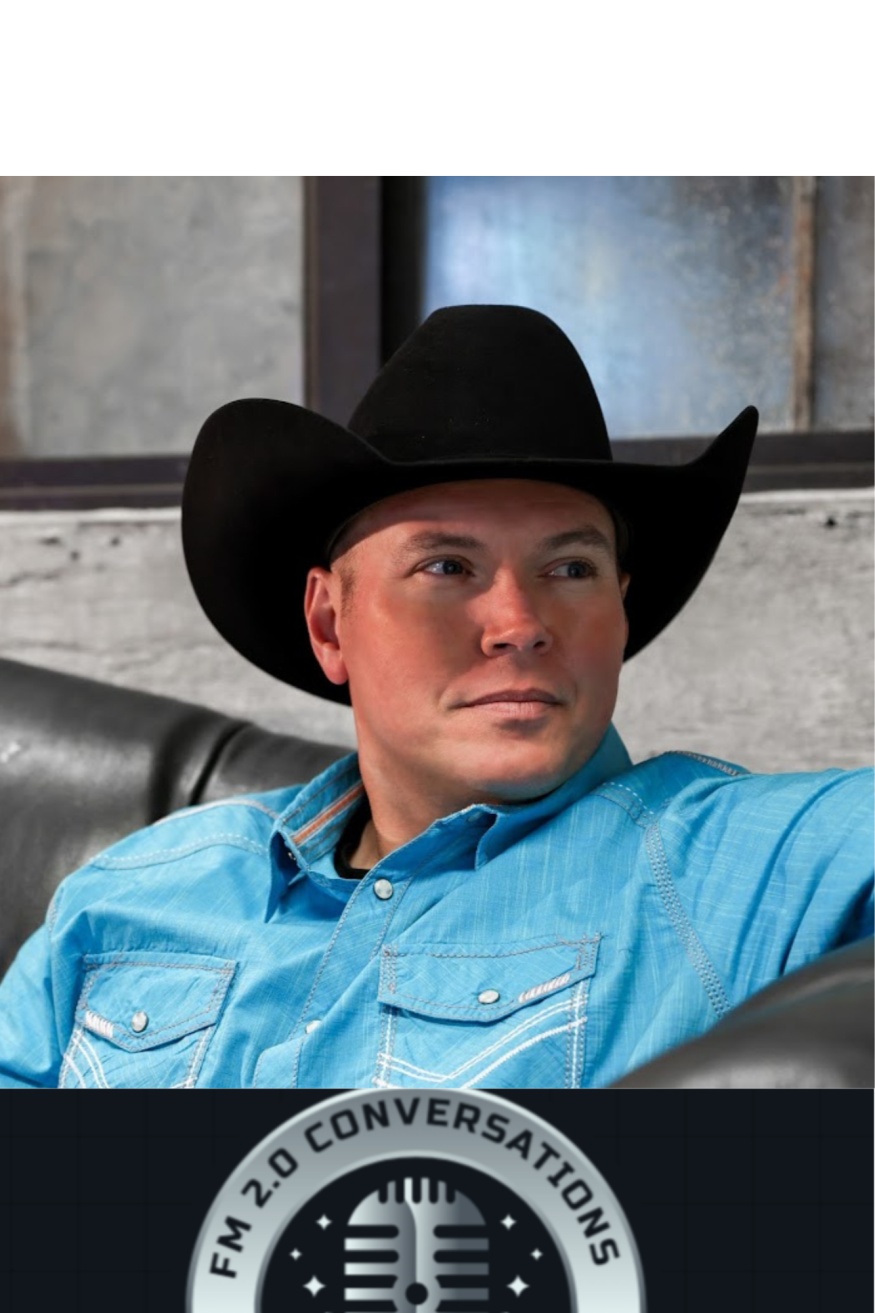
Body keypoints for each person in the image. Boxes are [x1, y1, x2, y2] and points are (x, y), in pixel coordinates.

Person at [0, 304, 873, 1090]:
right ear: (330, 623)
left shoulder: (737, 862)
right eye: (447, 566)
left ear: (619, 608)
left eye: (571, 568)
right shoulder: (129, 895)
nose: (518, 624)